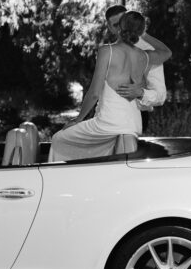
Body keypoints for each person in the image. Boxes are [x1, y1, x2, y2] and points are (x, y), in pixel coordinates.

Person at [48, 11, 171, 161]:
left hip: (108, 123)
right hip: (133, 125)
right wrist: (143, 34)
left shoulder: (107, 51)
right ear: (140, 31)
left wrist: (78, 119)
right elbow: (166, 52)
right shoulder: (144, 56)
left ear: (120, 27)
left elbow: (94, 93)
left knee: (58, 139)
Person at [105, 5, 167, 131]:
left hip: (135, 117)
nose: (123, 28)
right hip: (108, 116)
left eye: (125, 22)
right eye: (117, 25)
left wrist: (140, 93)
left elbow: (160, 96)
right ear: (110, 28)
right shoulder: (108, 52)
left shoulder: (149, 51)